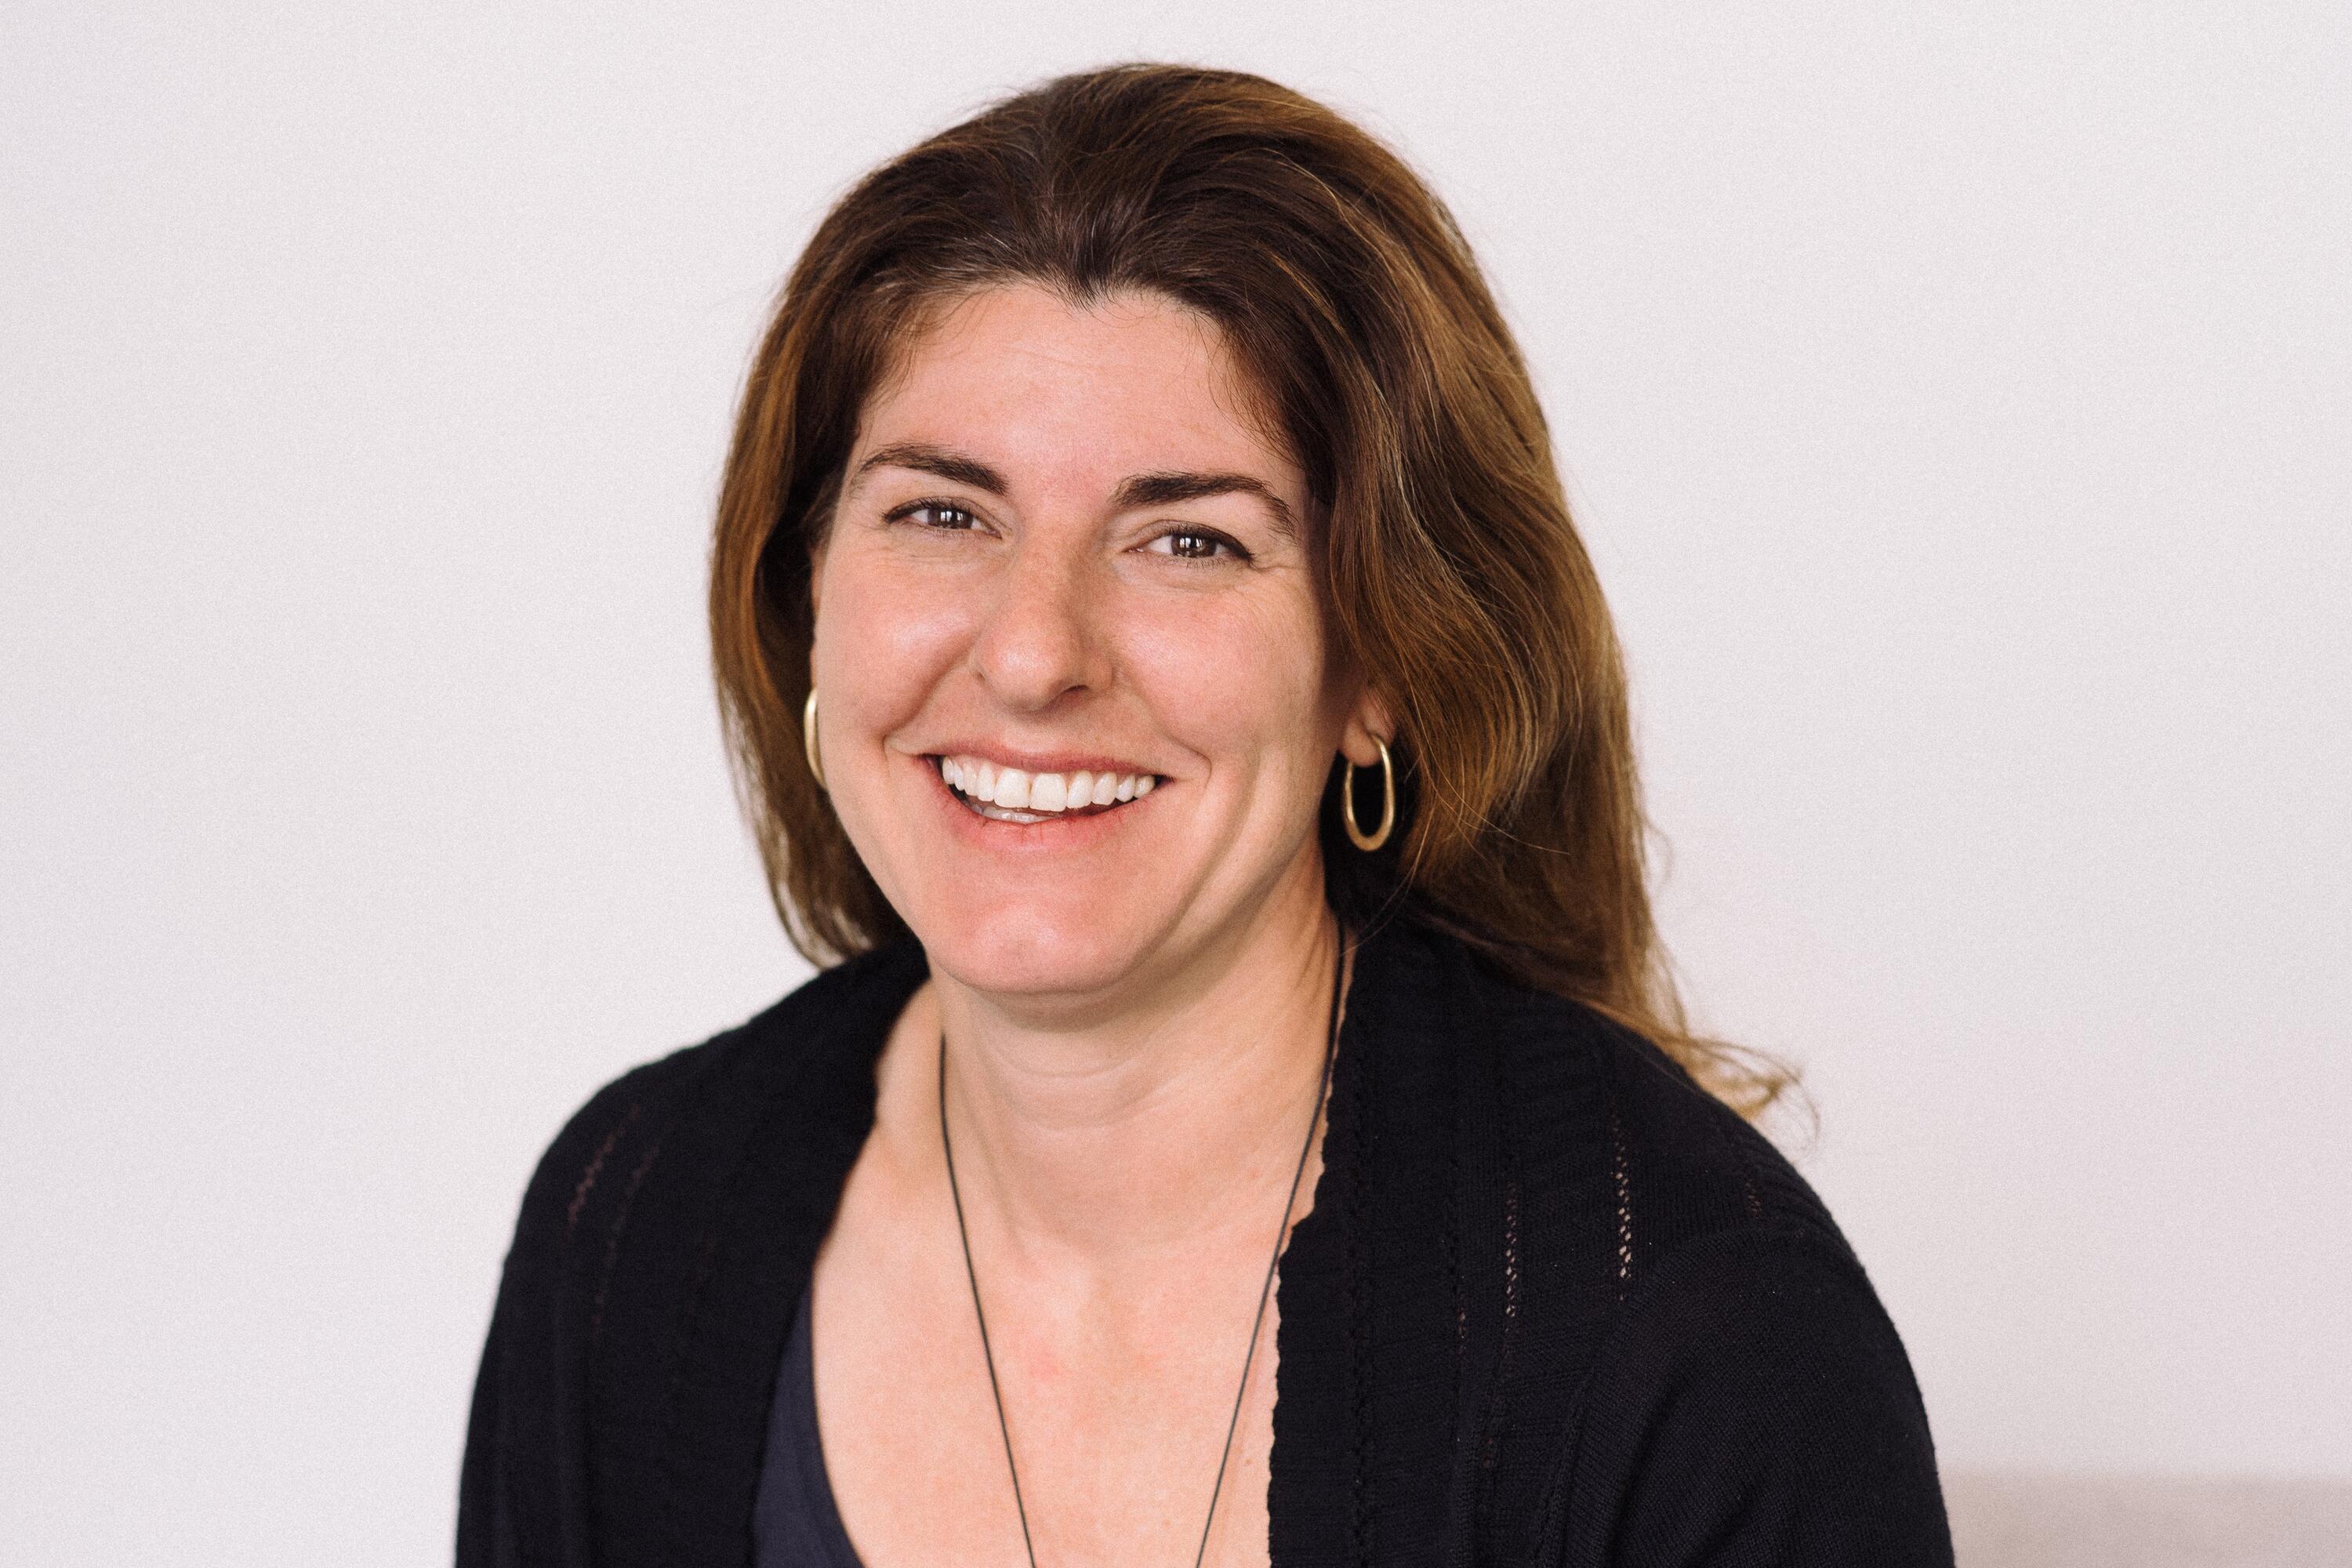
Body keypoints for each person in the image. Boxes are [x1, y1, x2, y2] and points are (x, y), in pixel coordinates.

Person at [458, 63, 1954, 1568]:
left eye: (1190, 539)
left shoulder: (1699, 1340)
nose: (1036, 653)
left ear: (1380, 664)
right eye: (941, 514)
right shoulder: (635, 1225)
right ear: (810, 597)